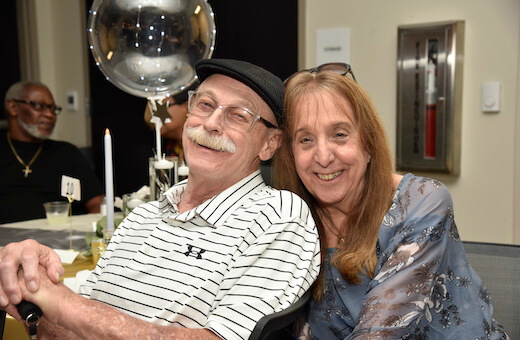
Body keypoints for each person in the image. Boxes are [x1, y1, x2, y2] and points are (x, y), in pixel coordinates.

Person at [0, 59, 321, 340]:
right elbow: (69, 330)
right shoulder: (142, 216)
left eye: (238, 116)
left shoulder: (279, 216)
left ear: (270, 144)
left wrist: (65, 303)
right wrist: (31, 288)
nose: (210, 123)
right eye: (205, 105)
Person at [274, 63, 509, 339]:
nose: (323, 156)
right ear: (290, 154)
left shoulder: (421, 202)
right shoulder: (288, 220)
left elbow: (377, 334)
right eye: (305, 139)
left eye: (340, 134)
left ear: (369, 144)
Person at [0, 81, 104, 223]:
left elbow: (98, 204)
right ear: (13, 107)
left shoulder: (67, 153)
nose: (50, 115)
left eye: (53, 109)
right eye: (39, 106)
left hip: (59, 240)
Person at [143, 82, 199, 164]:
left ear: (187, 107)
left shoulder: (205, 148)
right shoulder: (168, 150)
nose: (156, 115)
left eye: (163, 106)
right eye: (154, 108)